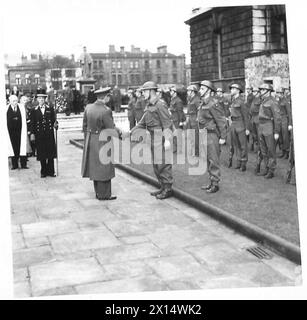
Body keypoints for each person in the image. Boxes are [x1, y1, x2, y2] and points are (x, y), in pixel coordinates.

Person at [131, 81, 173, 199]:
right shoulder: (149, 105)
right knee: (156, 164)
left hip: (161, 137)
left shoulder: (160, 104)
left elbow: (167, 123)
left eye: (144, 91)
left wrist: (167, 140)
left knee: (163, 164)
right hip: (153, 138)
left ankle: (168, 189)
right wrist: (132, 132)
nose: (142, 93)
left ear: (151, 91)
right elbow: (142, 122)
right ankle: (163, 187)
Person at [81, 87, 118, 200]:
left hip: (91, 139)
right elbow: (111, 129)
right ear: (105, 97)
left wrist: (89, 138)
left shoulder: (88, 108)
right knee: (104, 168)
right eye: (108, 96)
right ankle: (105, 194)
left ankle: (98, 192)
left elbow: (84, 126)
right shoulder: (106, 110)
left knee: (95, 167)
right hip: (103, 141)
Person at [197, 80, 227, 193]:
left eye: (203, 89)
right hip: (204, 134)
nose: (200, 90)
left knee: (213, 160)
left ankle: (215, 184)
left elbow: (221, 121)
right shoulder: (203, 103)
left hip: (212, 135)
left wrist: (223, 137)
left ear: (209, 90)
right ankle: (211, 181)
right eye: (200, 89)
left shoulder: (213, 104)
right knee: (208, 159)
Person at [29, 89, 58, 178]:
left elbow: (54, 120)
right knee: (42, 153)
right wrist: (32, 134)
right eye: (39, 98)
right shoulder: (34, 110)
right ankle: (43, 171)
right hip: (39, 135)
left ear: (45, 99)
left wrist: (56, 124)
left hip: (49, 134)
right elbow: (32, 123)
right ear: (37, 99)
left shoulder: (50, 108)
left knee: (50, 152)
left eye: (43, 98)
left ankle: (51, 171)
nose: (41, 100)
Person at [257, 83, 281, 178]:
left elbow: (277, 117)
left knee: (271, 149)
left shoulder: (272, 101)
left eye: (263, 90)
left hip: (268, 125)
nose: (261, 92)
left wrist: (276, 131)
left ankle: (271, 170)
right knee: (263, 149)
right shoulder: (263, 100)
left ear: (268, 91)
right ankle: (266, 168)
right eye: (261, 90)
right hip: (261, 125)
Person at [229, 83, 249, 172]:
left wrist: (247, 128)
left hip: (240, 124)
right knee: (236, 145)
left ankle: (243, 163)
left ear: (237, 90)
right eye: (231, 89)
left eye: (233, 89)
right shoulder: (232, 100)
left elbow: (246, 116)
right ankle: (238, 162)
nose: (231, 90)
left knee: (243, 145)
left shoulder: (241, 101)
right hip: (233, 124)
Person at [6, 95, 29, 169]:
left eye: (16, 100)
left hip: (20, 131)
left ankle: (23, 164)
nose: (15, 102)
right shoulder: (6, 109)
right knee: (13, 148)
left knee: (22, 147)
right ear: (10, 102)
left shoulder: (21, 107)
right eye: (13, 101)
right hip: (11, 133)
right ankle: (14, 165)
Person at [275, 88, 291, 159]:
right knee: (280, 137)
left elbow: (289, 113)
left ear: (282, 93)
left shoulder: (285, 101)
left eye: (279, 93)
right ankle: (283, 151)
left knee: (285, 137)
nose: (277, 94)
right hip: (279, 120)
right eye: (277, 93)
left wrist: (290, 124)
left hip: (284, 120)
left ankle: (287, 153)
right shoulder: (277, 101)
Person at [185, 84, 200, 157]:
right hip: (190, 118)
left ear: (192, 92)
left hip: (194, 119)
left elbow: (199, 110)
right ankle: (193, 150)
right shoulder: (190, 99)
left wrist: (197, 119)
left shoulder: (196, 99)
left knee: (195, 136)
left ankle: (196, 152)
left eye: (189, 91)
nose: (187, 92)